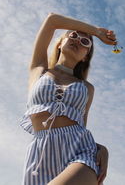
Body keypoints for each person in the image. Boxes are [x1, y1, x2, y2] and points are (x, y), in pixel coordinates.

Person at [20, 12, 117, 185]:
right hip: (40, 154)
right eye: (73, 35)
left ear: (86, 56)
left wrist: (101, 149)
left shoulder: (87, 88)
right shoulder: (39, 70)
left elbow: (81, 126)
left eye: (85, 42)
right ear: (60, 43)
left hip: (81, 152)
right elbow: (52, 20)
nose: (77, 40)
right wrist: (95, 32)